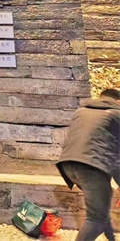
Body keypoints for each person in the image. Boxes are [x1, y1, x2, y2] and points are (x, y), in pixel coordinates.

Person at [56, 87, 120, 241]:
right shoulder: (116, 115)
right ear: (118, 101)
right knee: (96, 219)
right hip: (91, 167)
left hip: (68, 165)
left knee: (100, 207)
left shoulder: (81, 111)